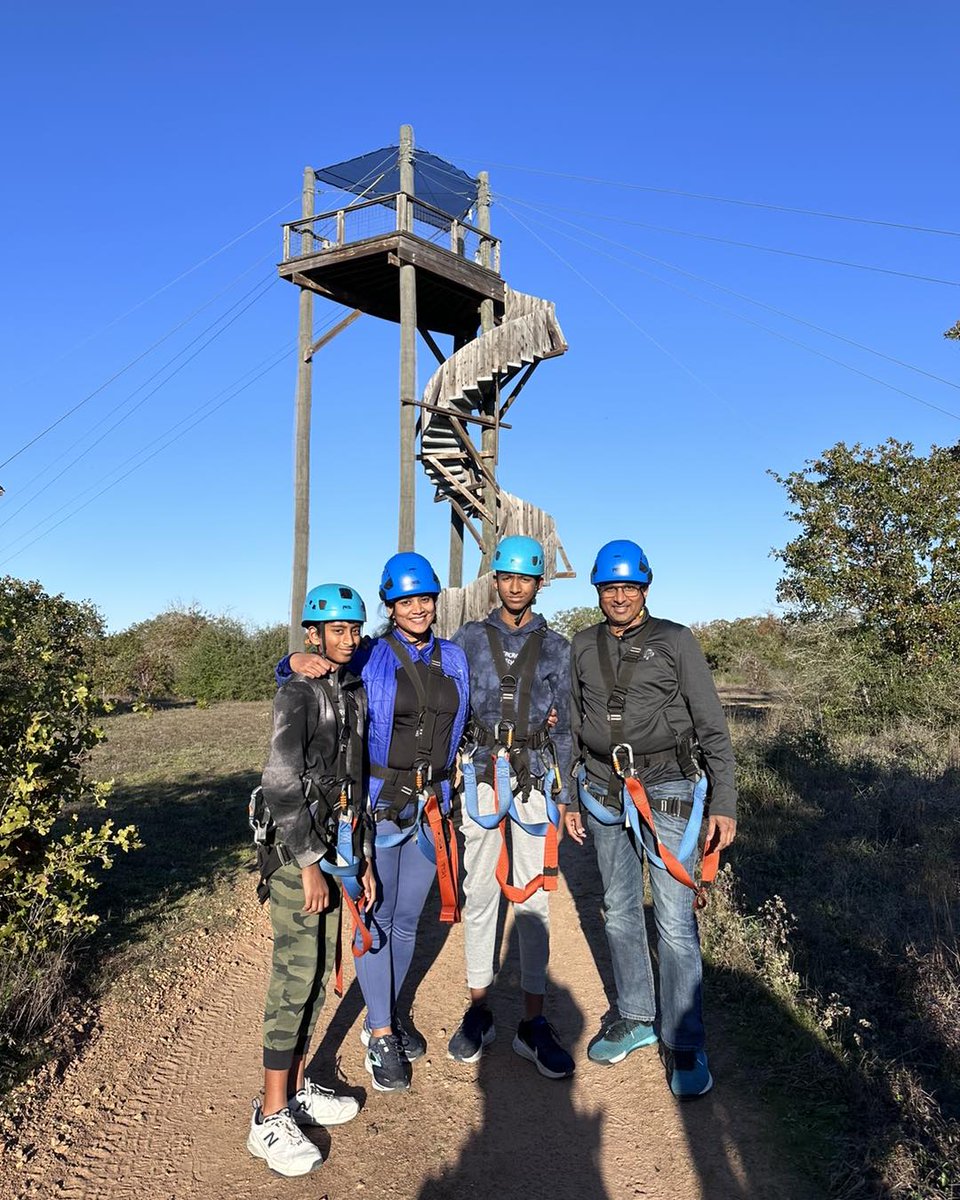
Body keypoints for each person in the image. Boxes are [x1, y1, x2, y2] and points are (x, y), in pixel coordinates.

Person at [278, 552, 469, 1093]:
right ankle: (382, 1030)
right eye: (406, 600)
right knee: (373, 917)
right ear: (390, 605)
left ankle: (380, 1015)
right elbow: (319, 663)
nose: (417, 608)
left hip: (432, 805)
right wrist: (290, 662)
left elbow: (464, 722)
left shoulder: (454, 659)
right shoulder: (368, 654)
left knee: (408, 919)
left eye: (425, 598)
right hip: (380, 806)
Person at [566, 540, 737, 1098]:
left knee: (674, 918)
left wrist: (725, 803)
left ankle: (684, 1041)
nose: (619, 596)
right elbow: (572, 721)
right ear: (598, 591)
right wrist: (570, 795)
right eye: (610, 588)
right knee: (617, 909)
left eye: (629, 588)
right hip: (601, 789)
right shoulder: (583, 644)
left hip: (667, 788)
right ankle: (638, 1017)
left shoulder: (675, 641)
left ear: (644, 589)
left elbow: (712, 726)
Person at [248, 583, 375, 1177]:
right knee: (296, 976)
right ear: (312, 635)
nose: (347, 640)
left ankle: (296, 1089)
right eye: (336, 630)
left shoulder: (347, 688)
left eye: (354, 629)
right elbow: (279, 781)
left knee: (322, 970)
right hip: (300, 853)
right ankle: (269, 1116)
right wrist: (306, 861)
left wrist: (361, 859)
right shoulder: (299, 692)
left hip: (337, 842)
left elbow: (353, 782)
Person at [447, 535, 576, 1078]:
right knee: (480, 893)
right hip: (479, 774)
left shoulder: (557, 648)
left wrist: (566, 793)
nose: (516, 585)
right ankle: (480, 1011)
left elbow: (566, 725)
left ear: (538, 583)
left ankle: (532, 1021)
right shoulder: (468, 639)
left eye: (526, 577)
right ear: (495, 581)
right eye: (507, 577)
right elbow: (447, 707)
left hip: (534, 778)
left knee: (532, 898)